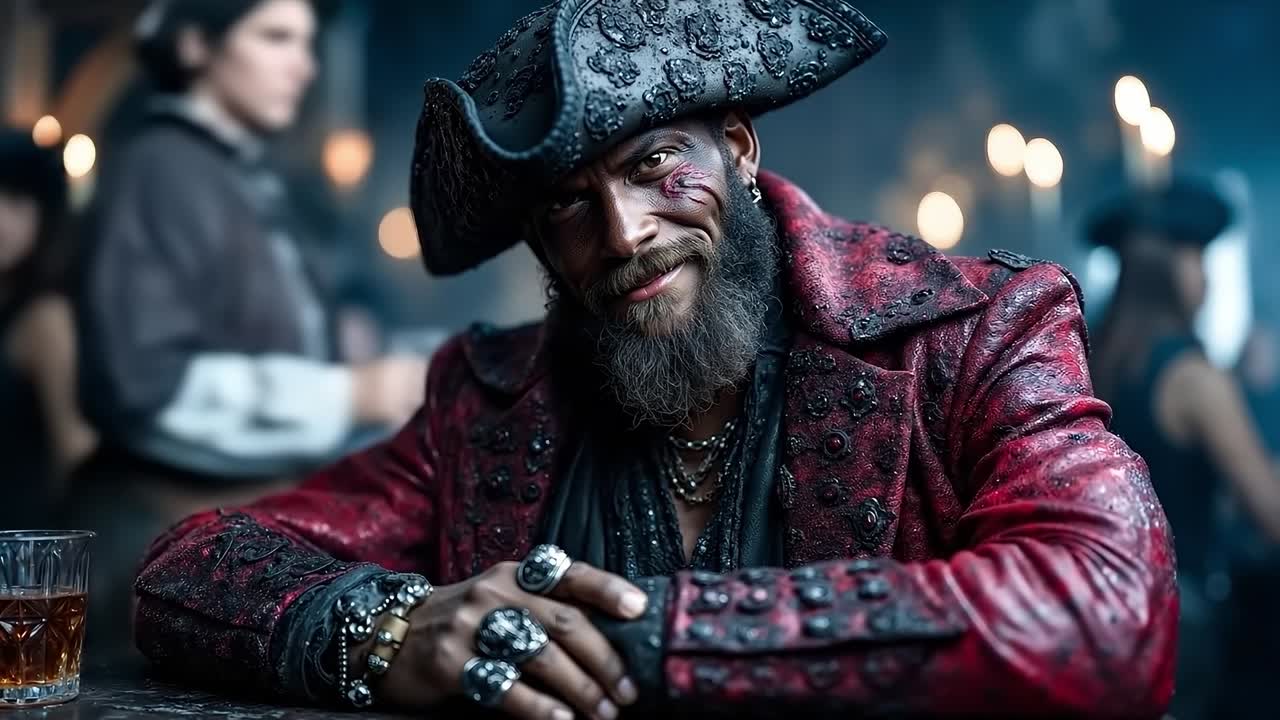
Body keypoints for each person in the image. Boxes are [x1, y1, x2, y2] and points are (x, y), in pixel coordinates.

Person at [133, 2, 1176, 718]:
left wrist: (641, 639)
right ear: (541, 245)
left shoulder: (971, 332)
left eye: (654, 164)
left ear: (739, 148)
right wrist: (387, 628)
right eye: (568, 205)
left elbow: (1109, 612)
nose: (624, 232)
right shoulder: (487, 401)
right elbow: (189, 568)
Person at [71, 0, 425, 649]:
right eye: (275, 37)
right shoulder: (159, 167)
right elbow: (144, 388)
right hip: (157, 546)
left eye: (306, 44)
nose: (303, 65)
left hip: (231, 536)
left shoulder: (241, 177)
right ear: (195, 45)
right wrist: (350, 393)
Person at [1088, 180, 1280, 719]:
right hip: (1186, 631)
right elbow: (1272, 515)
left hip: (1112, 620)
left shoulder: (1094, 363)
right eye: (1197, 259)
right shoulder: (1193, 378)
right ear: (1166, 269)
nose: (1206, 279)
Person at [0, 129, 97, 529]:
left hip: (23, 545)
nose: (1, 218)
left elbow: (75, 453)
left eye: (16, 200)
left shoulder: (45, 318)